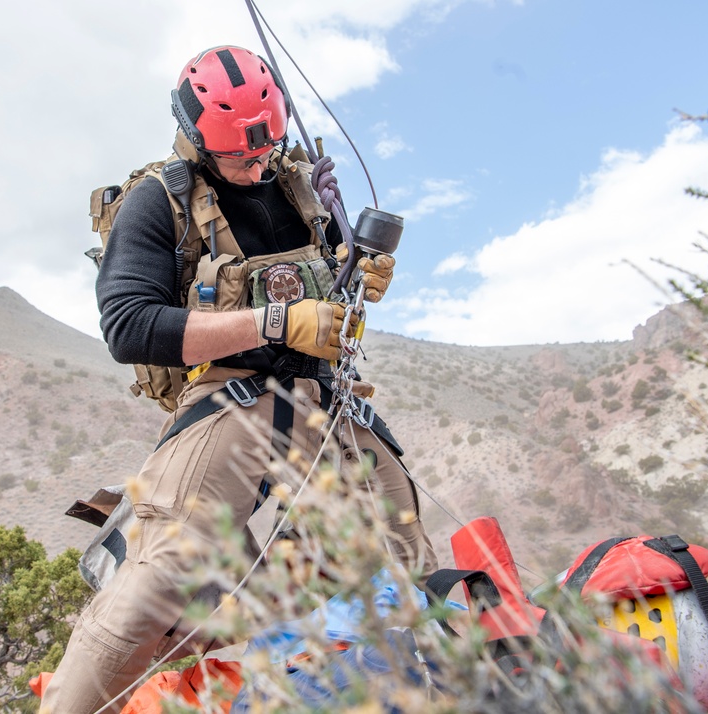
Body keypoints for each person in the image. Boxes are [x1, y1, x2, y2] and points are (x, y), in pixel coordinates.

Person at [40, 45, 438, 713]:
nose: (253, 165)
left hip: (328, 398)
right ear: (196, 139)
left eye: (264, 149)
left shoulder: (301, 184)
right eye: (235, 156)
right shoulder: (155, 201)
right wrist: (278, 323)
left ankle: (428, 686)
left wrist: (361, 279)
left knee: (405, 556)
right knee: (161, 576)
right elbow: (130, 327)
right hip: (230, 397)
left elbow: (332, 297)